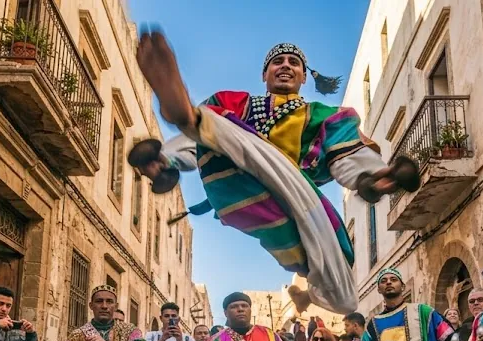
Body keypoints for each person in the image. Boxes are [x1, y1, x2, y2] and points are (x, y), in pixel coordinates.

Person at [134, 33, 411, 314]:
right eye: (277, 62)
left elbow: (345, 153)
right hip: (234, 181)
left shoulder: (321, 115)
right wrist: (176, 153)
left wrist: (371, 178)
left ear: (304, 76)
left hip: (292, 200)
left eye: (294, 62)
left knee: (345, 299)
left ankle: (305, 298)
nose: (286, 66)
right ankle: (172, 143)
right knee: (218, 120)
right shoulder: (240, 104)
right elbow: (210, 141)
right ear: (264, 74)